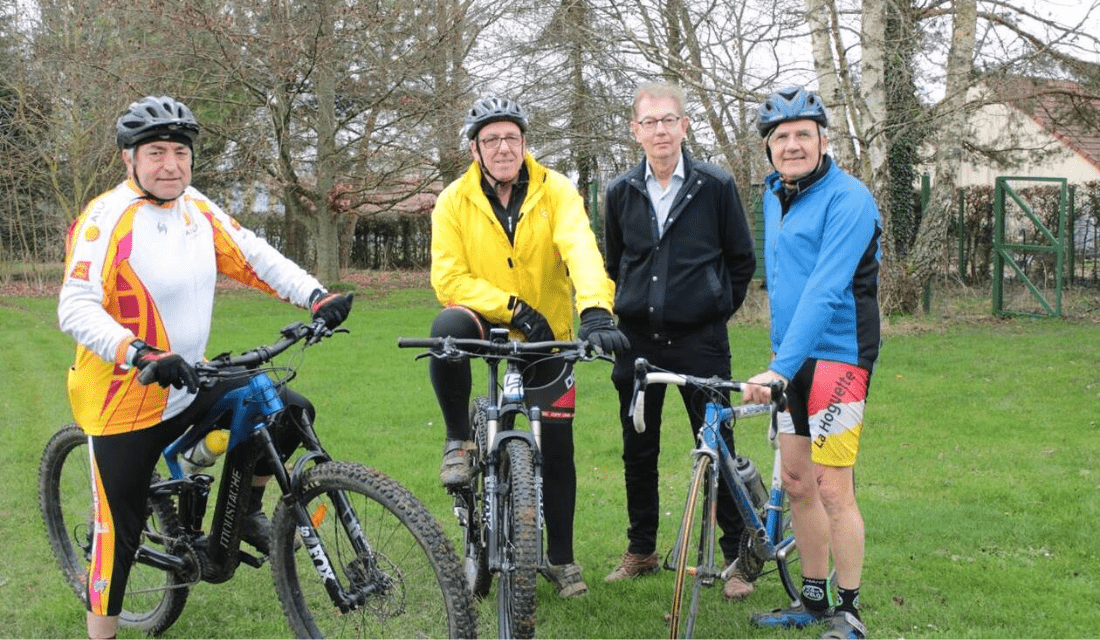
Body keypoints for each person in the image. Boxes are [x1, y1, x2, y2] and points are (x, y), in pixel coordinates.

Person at [58, 95, 353, 639]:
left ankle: (244, 514)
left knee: (286, 408)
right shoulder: (106, 219)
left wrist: (316, 295)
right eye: (155, 153)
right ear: (129, 159)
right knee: (116, 539)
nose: (171, 164)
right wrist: (139, 353)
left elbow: (253, 254)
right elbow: (74, 306)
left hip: (187, 382)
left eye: (180, 152)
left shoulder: (196, 206)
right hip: (123, 399)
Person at [427, 95, 629, 598]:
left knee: (558, 447)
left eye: (511, 138)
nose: (502, 147)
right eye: (491, 139)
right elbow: (448, 277)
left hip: (550, 336)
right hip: (490, 326)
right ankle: (458, 439)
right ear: (475, 148)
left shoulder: (556, 189)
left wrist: (596, 310)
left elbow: (580, 246)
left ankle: (561, 560)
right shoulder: (453, 199)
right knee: (445, 326)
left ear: (524, 143)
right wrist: (512, 309)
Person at [602, 82, 758, 601]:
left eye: (669, 120)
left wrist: (712, 307)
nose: (660, 131)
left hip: (701, 342)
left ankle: (737, 556)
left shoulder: (715, 185)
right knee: (637, 450)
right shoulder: (620, 191)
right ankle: (641, 550)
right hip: (637, 344)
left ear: (685, 126)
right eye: (650, 122)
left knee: (718, 446)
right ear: (635, 131)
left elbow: (741, 262)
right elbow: (614, 263)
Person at [741, 85, 881, 640]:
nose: (793, 145)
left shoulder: (849, 198)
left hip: (840, 357)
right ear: (769, 148)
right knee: (797, 481)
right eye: (782, 137)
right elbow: (784, 286)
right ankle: (813, 598)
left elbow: (825, 291)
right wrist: (781, 359)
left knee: (831, 488)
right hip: (791, 360)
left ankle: (849, 610)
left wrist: (780, 366)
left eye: (804, 134)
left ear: (824, 139)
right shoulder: (776, 196)